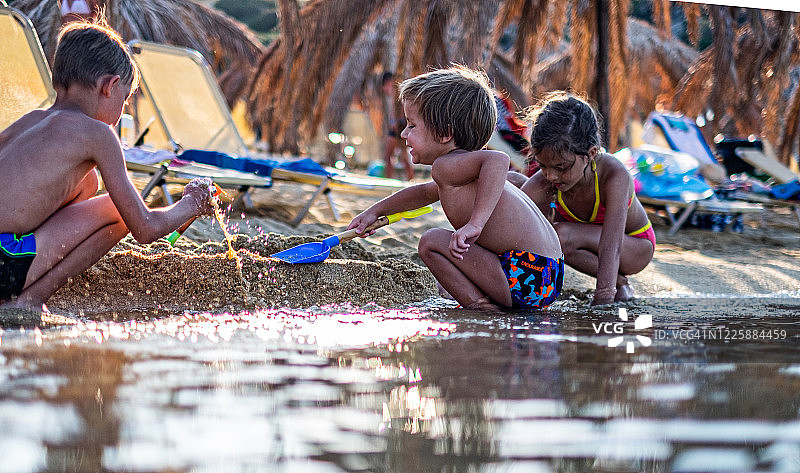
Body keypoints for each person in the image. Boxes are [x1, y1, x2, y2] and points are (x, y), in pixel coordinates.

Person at [0, 20, 215, 310]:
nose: (121, 111)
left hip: (6, 248)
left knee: (87, 183)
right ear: (109, 86)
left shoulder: (29, 121)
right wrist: (191, 204)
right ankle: (29, 301)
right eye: (124, 100)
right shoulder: (97, 134)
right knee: (118, 210)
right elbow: (145, 228)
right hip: (4, 264)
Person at [349, 66, 563, 312]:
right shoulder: (459, 171)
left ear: (445, 133)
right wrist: (375, 211)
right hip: (547, 275)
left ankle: (480, 305)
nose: (404, 133)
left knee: (431, 241)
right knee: (447, 271)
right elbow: (422, 193)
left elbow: (498, 160)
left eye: (412, 125)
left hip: (525, 274)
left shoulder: (447, 166)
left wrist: (476, 223)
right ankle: (490, 297)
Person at [510, 92, 655, 305]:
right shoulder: (548, 179)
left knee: (560, 235)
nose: (551, 176)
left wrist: (604, 296)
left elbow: (611, 246)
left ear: (591, 153)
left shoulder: (614, 175)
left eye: (561, 167)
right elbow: (511, 220)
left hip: (634, 246)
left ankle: (617, 284)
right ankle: (620, 282)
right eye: (542, 166)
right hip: (581, 241)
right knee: (514, 184)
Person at [381, 72, 415, 181]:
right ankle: (409, 179)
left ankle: (390, 180)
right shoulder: (394, 94)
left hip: (398, 127)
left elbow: (401, 111)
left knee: (390, 156)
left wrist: (396, 123)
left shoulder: (397, 94)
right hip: (397, 126)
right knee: (402, 156)